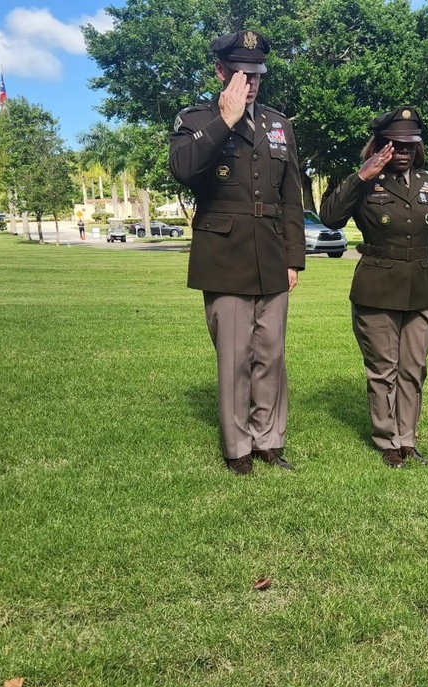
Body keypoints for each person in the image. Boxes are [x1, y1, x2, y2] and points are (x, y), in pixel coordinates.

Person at [169, 30, 305, 475]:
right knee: (234, 358)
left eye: (257, 74)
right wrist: (224, 122)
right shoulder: (196, 119)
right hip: (224, 254)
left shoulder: (278, 124)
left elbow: (290, 196)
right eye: (242, 73)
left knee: (271, 354)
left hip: (270, 254)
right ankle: (238, 449)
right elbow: (184, 169)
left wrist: (292, 257)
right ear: (220, 71)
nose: (251, 82)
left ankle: (269, 440)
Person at [320, 107, 428, 469]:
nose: (404, 151)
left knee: (414, 368)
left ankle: (407, 438)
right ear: (381, 145)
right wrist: (362, 176)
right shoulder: (365, 181)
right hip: (377, 287)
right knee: (383, 369)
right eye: (395, 143)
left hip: (421, 288)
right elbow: (330, 217)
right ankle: (387, 440)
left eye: (410, 144)